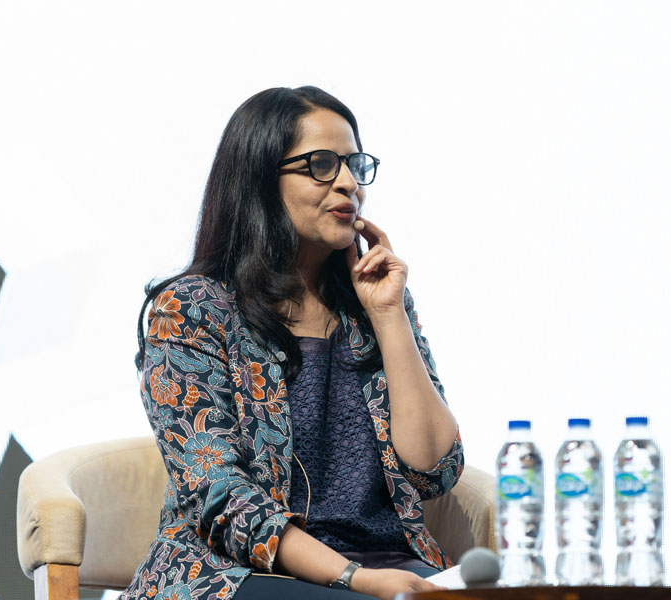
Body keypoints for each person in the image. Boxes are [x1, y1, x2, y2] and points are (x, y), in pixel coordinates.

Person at [121, 86, 463, 600]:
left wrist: (388, 314)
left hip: (381, 563)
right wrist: (354, 578)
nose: (349, 183)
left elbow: (435, 470)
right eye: (322, 165)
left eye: (354, 165)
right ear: (260, 180)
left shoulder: (375, 302)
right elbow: (220, 497)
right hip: (234, 573)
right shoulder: (192, 309)